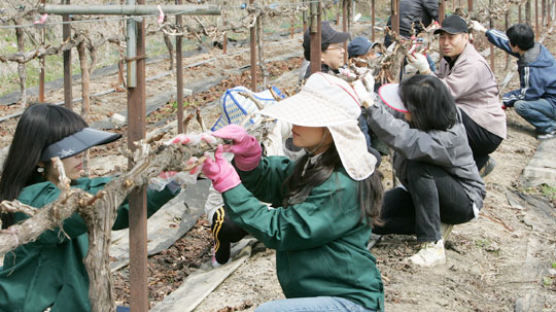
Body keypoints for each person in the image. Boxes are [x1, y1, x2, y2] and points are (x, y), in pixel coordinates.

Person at [175, 73, 385, 311]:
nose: (294, 124)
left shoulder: (341, 184)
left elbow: (282, 229)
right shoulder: (318, 162)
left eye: (303, 118)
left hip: (350, 302)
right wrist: (250, 159)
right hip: (325, 293)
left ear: (329, 127)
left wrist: (229, 183)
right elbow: (278, 179)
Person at [0, 104, 180, 312]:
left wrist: (172, 180)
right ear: (40, 157)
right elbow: (88, 203)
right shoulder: (30, 201)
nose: (81, 155)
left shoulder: (70, 187)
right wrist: (145, 174)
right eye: (71, 149)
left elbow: (118, 209)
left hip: (76, 303)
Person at [366, 75, 486, 267]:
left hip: (463, 201)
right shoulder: (425, 114)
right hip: (417, 193)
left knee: (419, 165)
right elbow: (389, 113)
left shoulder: (448, 137)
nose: (402, 109)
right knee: (372, 217)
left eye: (406, 105)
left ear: (419, 110)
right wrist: (366, 93)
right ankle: (434, 224)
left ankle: (432, 244)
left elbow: (407, 139)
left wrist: (369, 106)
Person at [408, 14, 506, 176]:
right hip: (472, 121)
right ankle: (477, 162)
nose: (446, 42)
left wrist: (425, 70)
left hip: (486, 130)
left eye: (452, 37)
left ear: (465, 38)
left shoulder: (472, 64)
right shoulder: (449, 59)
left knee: (435, 114)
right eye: (442, 37)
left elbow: (443, 93)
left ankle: (445, 167)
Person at [470, 21, 556, 140]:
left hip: (553, 102)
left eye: (511, 42)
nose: (508, 43)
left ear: (516, 46)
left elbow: (526, 95)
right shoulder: (536, 49)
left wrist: (504, 101)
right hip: (549, 96)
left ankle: (549, 127)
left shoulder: (531, 68)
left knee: (521, 105)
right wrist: (485, 30)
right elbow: (505, 42)